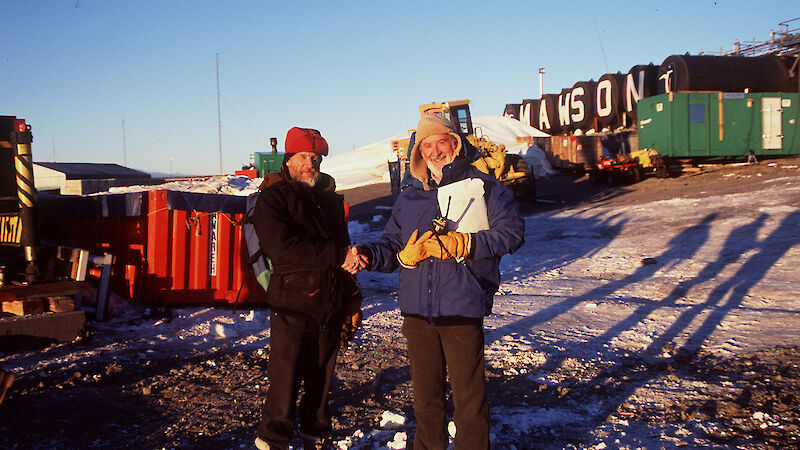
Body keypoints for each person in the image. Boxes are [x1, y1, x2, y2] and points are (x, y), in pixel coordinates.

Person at [347, 113, 525, 449]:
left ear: (455, 144)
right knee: (426, 401)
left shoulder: (485, 190)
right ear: (418, 155)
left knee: (469, 402)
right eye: (426, 145)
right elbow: (391, 246)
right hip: (416, 314)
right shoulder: (409, 199)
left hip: (462, 306)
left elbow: (511, 234)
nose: (434, 150)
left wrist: (467, 244)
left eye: (440, 141)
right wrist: (368, 254)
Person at [252, 127, 363, 450]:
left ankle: (315, 436)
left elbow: (343, 248)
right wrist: (337, 256)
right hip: (292, 304)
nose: (310, 163)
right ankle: (273, 440)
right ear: (288, 160)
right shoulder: (273, 198)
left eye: (315, 157)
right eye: (303, 157)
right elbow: (281, 248)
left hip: (329, 303)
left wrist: (352, 300)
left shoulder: (327, 199)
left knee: (321, 380)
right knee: (284, 381)